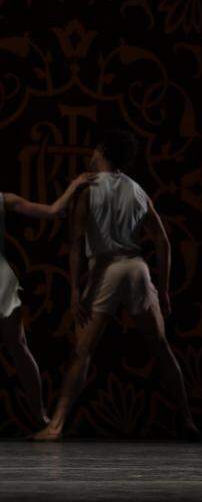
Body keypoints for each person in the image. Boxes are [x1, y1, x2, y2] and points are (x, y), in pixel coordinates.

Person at [31, 130, 199, 440]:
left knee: (82, 352)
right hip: (136, 269)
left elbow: (75, 244)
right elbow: (162, 241)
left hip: (106, 270)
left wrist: (74, 290)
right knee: (161, 348)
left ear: (102, 150)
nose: (90, 154)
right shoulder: (138, 190)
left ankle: (55, 426)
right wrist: (162, 288)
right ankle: (187, 419)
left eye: (94, 149)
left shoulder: (88, 189)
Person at [1, 174, 94, 428]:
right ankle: (40, 415)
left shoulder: (4, 200)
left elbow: (53, 211)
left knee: (19, 347)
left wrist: (73, 186)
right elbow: (53, 212)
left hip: (1, 282)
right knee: (19, 347)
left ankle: (40, 415)